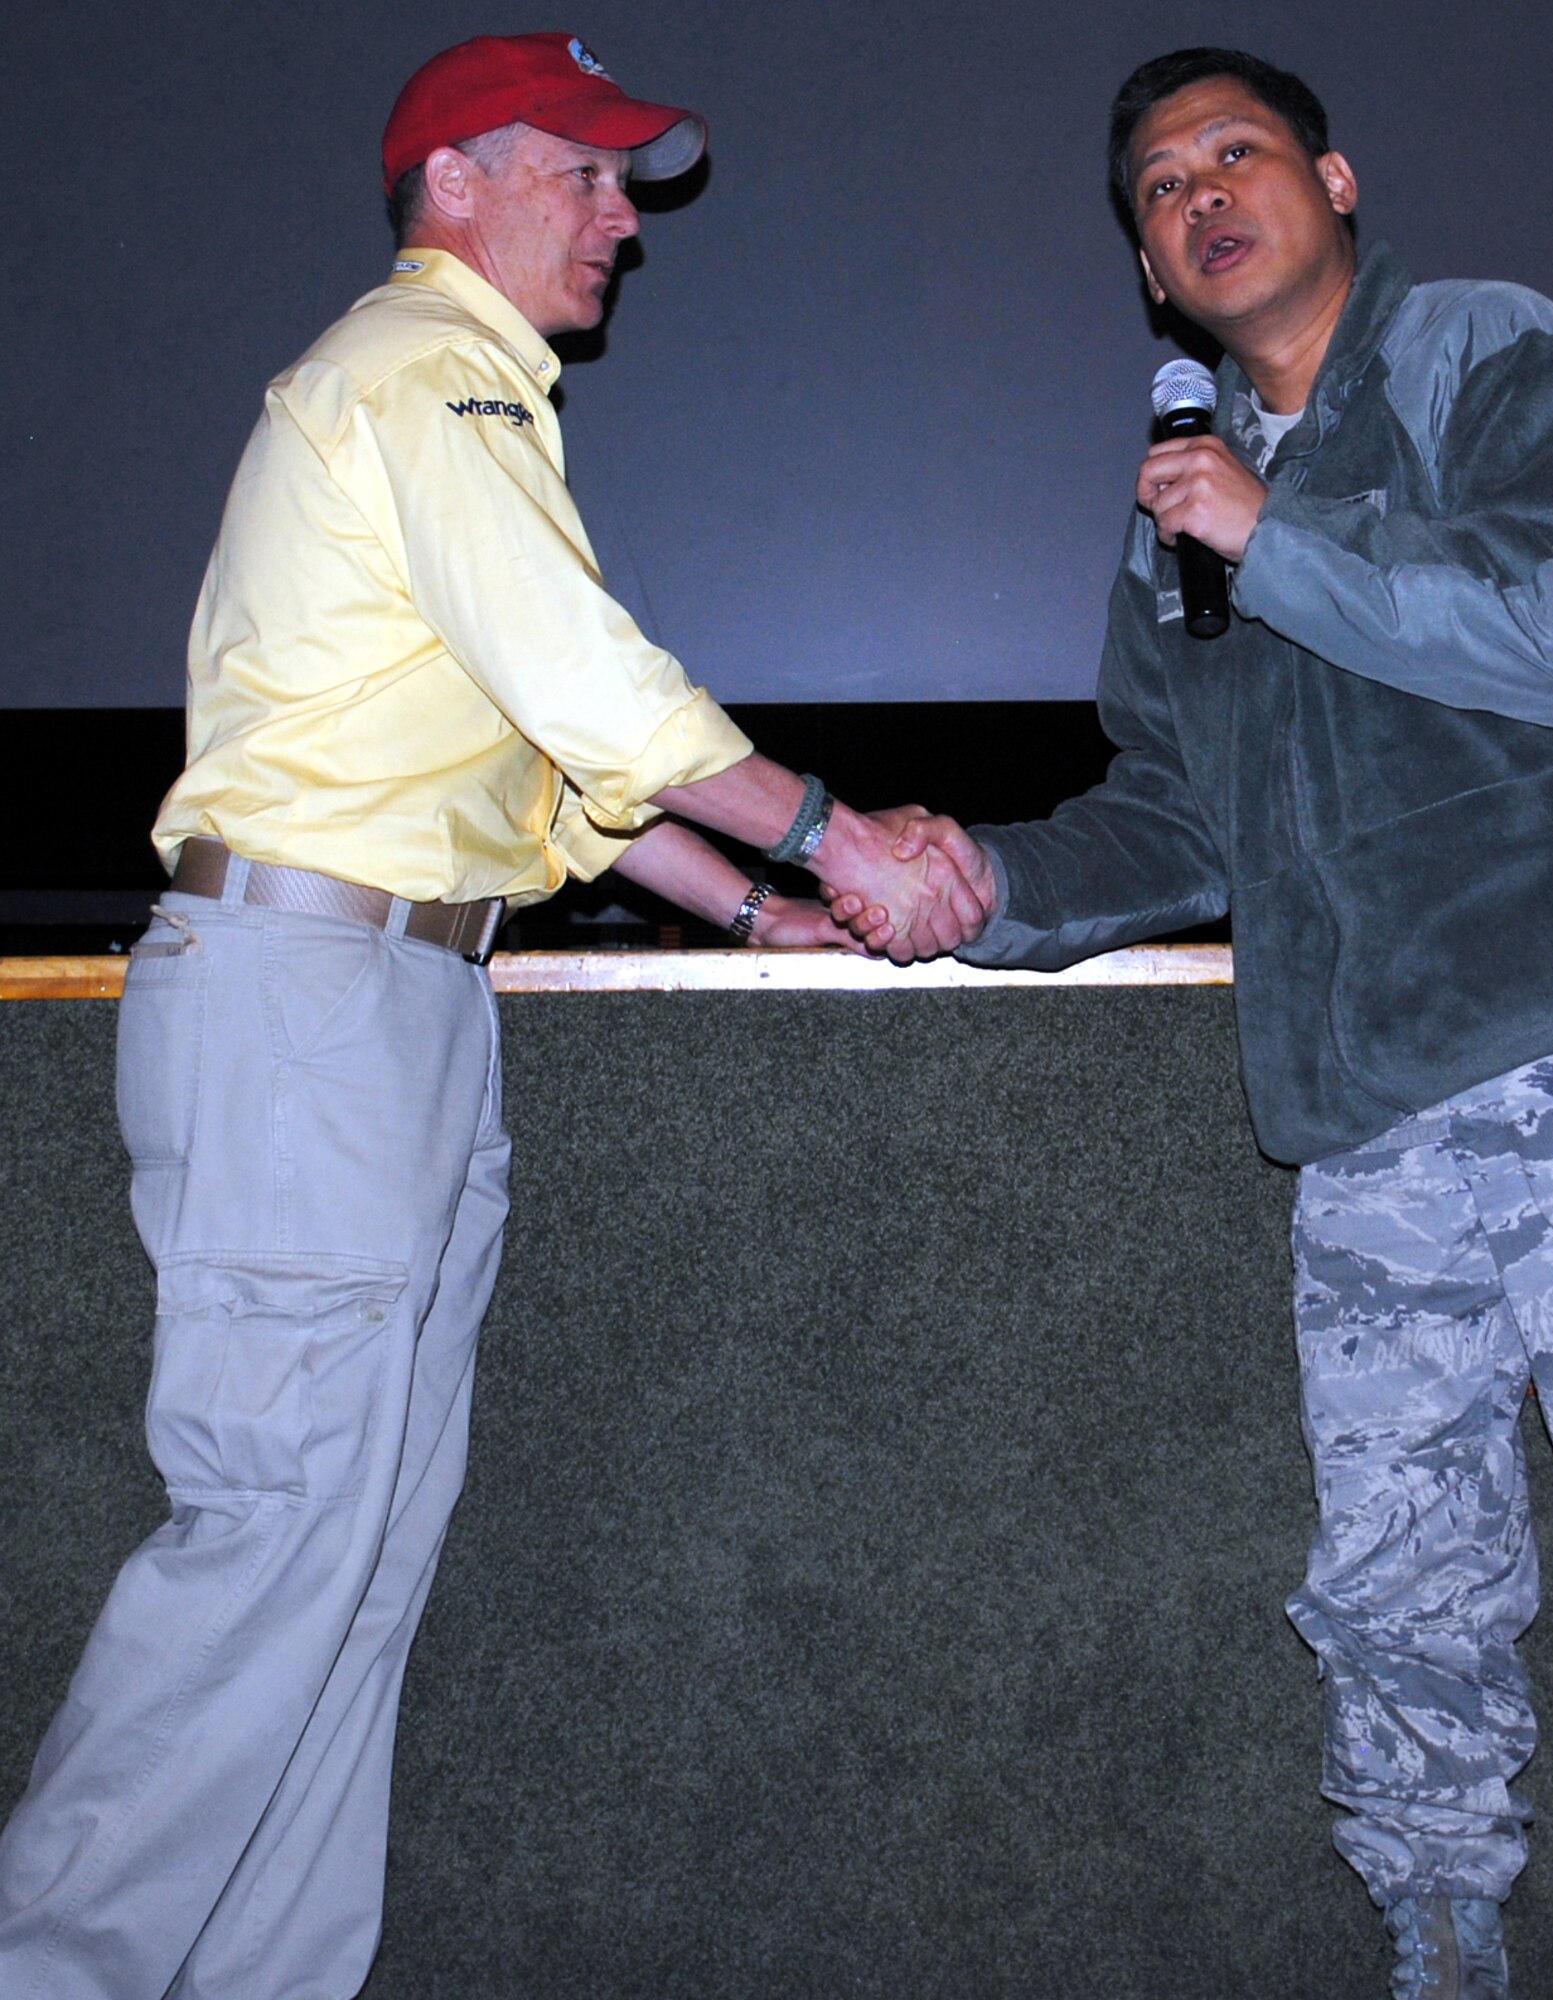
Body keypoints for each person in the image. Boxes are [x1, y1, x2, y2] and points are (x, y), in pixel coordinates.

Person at [850, 45, 1553, 2000]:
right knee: (1398, 1588)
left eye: (1233, 154)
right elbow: (1173, 812)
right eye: (1157, 188)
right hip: (1365, 1120)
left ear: (1330, 181)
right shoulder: (1176, 522)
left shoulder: (1488, 359)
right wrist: (978, 888)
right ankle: (1433, 1926)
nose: (1198, 195)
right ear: (1151, 274)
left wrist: (1269, 534)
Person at [0, 31, 988, 2000]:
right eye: (588, 174)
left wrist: (753, 907)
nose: (625, 218)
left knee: (353, 1575)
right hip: (313, 998)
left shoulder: (457, 405)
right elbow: (588, 677)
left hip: (396, 1000)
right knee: (277, 1549)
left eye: (628, 182)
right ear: (454, 179)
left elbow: (548, 782)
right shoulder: (416, 367)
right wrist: (830, 827)